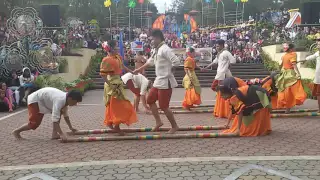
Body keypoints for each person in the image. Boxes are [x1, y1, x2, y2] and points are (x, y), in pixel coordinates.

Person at [133, 29, 180, 134]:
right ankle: (158, 122)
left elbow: (176, 62)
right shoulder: (156, 49)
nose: (151, 41)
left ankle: (175, 126)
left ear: (158, 38)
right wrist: (138, 69)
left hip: (166, 82)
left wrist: (170, 72)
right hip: (158, 80)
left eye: (152, 39)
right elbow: (150, 61)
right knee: (150, 100)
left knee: (164, 106)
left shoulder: (165, 49)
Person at [12, 88, 82, 140]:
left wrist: (71, 128)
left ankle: (54, 134)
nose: (76, 104)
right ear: (70, 98)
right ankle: (16, 132)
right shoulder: (60, 100)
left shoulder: (65, 100)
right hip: (35, 100)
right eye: (75, 102)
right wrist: (61, 134)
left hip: (44, 101)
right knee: (34, 124)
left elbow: (66, 116)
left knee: (60, 112)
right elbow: (55, 120)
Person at [100, 40, 137, 135]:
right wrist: (110, 84)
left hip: (118, 83)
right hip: (112, 85)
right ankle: (116, 126)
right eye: (116, 47)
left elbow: (123, 66)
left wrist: (131, 71)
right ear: (111, 49)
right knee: (116, 106)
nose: (118, 48)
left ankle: (113, 124)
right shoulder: (106, 60)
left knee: (118, 105)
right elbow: (103, 75)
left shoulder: (118, 57)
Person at [202, 39, 237, 118]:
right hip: (219, 74)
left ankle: (227, 102)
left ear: (222, 45)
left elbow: (233, 61)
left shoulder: (226, 53)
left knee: (221, 90)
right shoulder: (219, 54)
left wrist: (228, 66)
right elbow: (214, 62)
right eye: (216, 46)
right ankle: (222, 97)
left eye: (218, 46)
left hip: (224, 75)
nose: (216, 47)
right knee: (214, 87)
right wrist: (206, 67)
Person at [275, 43, 307, 113]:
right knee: (294, 89)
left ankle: (287, 108)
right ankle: (289, 108)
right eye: (294, 48)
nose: (294, 49)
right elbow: (294, 64)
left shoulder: (284, 56)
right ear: (291, 49)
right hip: (290, 74)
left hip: (284, 74)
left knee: (285, 91)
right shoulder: (293, 54)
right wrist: (298, 73)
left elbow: (281, 65)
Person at [301, 40, 320, 112]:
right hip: (318, 78)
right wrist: (303, 60)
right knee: (318, 94)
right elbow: (310, 57)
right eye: (317, 44)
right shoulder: (317, 53)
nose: (317, 46)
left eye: (319, 44)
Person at [182, 46, 202, 110]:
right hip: (190, 75)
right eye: (193, 52)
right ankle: (188, 104)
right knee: (191, 90)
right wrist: (189, 77)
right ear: (190, 53)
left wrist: (200, 68)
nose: (195, 54)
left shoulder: (191, 59)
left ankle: (190, 103)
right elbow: (186, 69)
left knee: (195, 89)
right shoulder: (188, 59)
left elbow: (195, 65)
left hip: (192, 74)